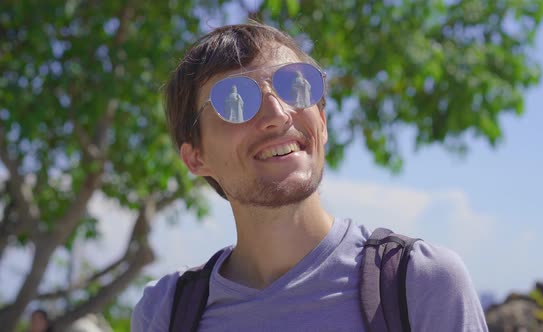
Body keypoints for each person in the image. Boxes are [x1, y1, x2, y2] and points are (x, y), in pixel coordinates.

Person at [132, 22, 488, 331]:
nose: (277, 113)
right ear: (196, 157)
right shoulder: (166, 311)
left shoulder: (419, 283)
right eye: (234, 100)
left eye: (295, 86)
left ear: (323, 120)